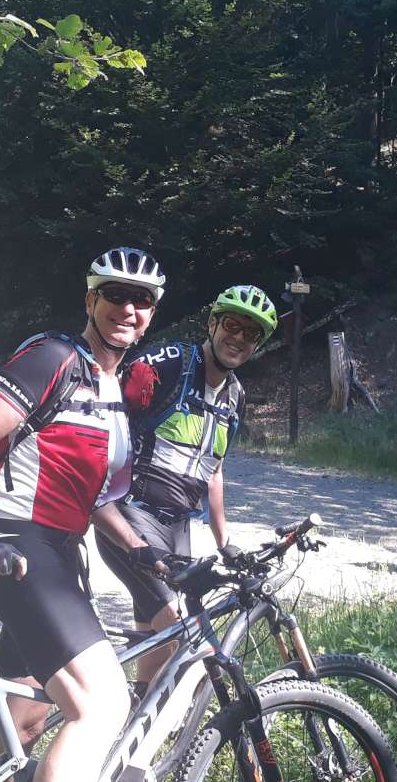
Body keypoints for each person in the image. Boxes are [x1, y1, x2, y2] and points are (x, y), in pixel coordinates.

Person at [0, 247, 175, 782]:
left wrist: (146, 553)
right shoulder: (53, 358)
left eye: (141, 300)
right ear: (91, 301)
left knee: (24, 723)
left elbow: (98, 500)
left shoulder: (111, 386)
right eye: (116, 295)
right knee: (102, 705)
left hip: (59, 557)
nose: (128, 309)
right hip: (19, 553)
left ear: (152, 313)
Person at [98, 284, 279, 688]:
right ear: (212, 323)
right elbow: (104, 411)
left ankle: (138, 709)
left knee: (156, 637)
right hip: (131, 515)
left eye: (252, 333)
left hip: (178, 527)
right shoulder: (171, 363)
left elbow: (214, 470)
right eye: (232, 325)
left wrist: (224, 540)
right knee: (185, 634)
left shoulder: (235, 395)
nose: (239, 338)